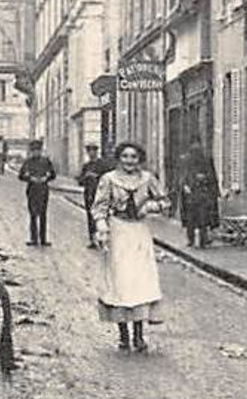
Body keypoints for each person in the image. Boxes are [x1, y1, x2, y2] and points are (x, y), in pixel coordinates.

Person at [91, 142, 168, 352]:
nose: (129, 161)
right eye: (125, 156)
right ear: (119, 158)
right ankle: (123, 335)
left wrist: (149, 206)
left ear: (139, 159)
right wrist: (102, 228)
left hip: (139, 233)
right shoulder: (108, 179)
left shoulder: (147, 179)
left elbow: (164, 201)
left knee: (140, 283)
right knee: (120, 282)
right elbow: (99, 207)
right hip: (118, 232)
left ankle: (139, 335)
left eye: (133, 157)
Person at [178, 140, 221, 249]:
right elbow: (183, 177)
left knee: (200, 219)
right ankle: (195, 240)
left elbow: (211, 177)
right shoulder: (187, 161)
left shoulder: (205, 161)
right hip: (194, 195)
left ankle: (198, 240)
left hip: (200, 194)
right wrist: (185, 187)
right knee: (195, 220)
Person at [76, 144, 115, 250]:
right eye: (89, 151)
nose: (91, 153)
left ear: (96, 152)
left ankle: (103, 239)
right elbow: (80, 181)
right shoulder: (86, 166)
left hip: (101, 194)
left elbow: (109, 178)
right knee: (90, 216)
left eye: (93, 151)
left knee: (102, 216)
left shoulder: (103, 165)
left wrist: (96, 176)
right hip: (89, 194)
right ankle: (92, 239)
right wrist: (85, 177)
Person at [18, 139, 56, 246]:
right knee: (33, 214)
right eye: (34, 150)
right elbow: (20, 175)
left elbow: (53, 174)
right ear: (31, 151)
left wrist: (46, 178)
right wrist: (30, 178)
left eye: (38, 150)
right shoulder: (27, 162)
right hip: (32, 190)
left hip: (43, 190)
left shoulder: (46, 161)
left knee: (43, 214)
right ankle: (34, 239)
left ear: (41, 150)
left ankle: (43, 239)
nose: (36, 152)